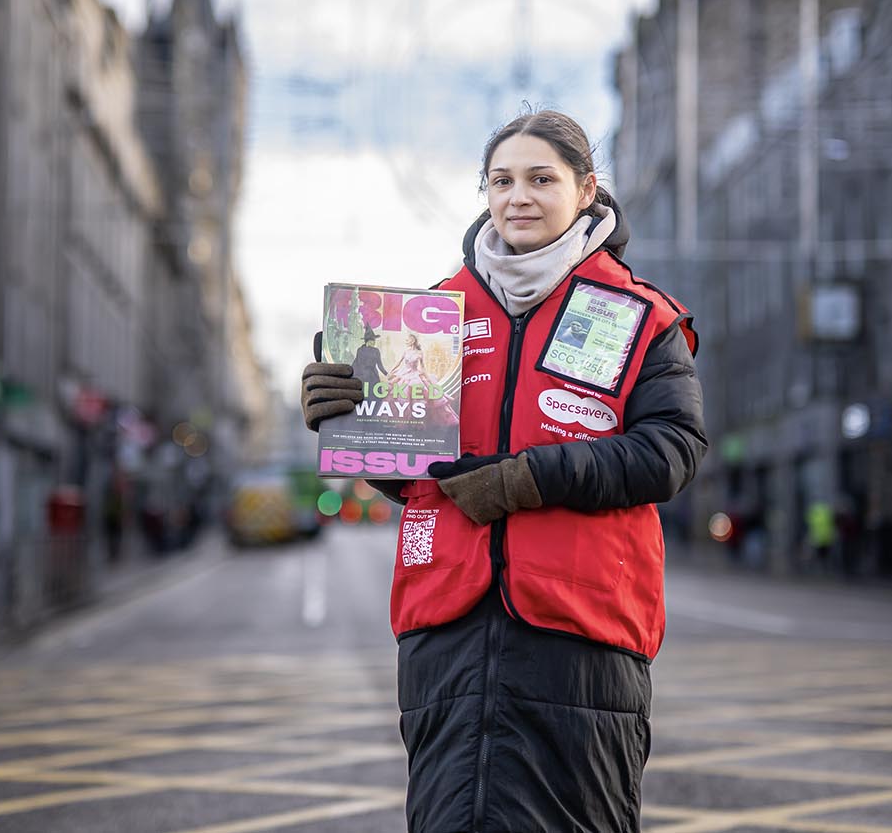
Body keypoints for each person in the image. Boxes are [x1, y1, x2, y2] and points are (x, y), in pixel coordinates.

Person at [300, 110, 706, 832]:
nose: (518, 196)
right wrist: (348, 420)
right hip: (445, 635)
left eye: (540, 179)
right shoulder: (427, 316)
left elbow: (671, 449)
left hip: (580, 634)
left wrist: (526, 478)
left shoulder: (641, 316)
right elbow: (418, 475)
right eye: (501, 180)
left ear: (586, 191)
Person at [351, 324, 388, 391]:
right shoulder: (360, 350)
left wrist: (386, 374)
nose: (374, 342)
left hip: (373, 376)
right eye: (372, 340)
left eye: (374, 340)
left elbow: (380, 365)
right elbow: (358, 364)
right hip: (363, 376)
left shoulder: (376, 351)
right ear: (367, 341)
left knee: (375, 393)